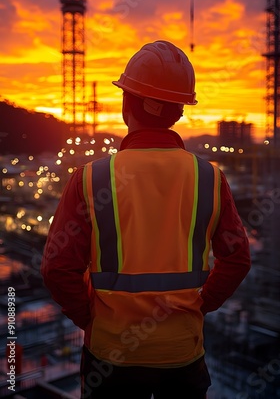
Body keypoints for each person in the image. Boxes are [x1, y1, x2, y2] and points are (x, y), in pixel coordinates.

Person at [41, 40, 251, 399]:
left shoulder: (92, 178)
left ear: (128, 103)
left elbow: (57, 267)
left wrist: (91, 319)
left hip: (110, 357)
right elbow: (237, 258)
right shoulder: (209, 178)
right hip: (182, 354)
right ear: (178, 111)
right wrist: (201, 304)